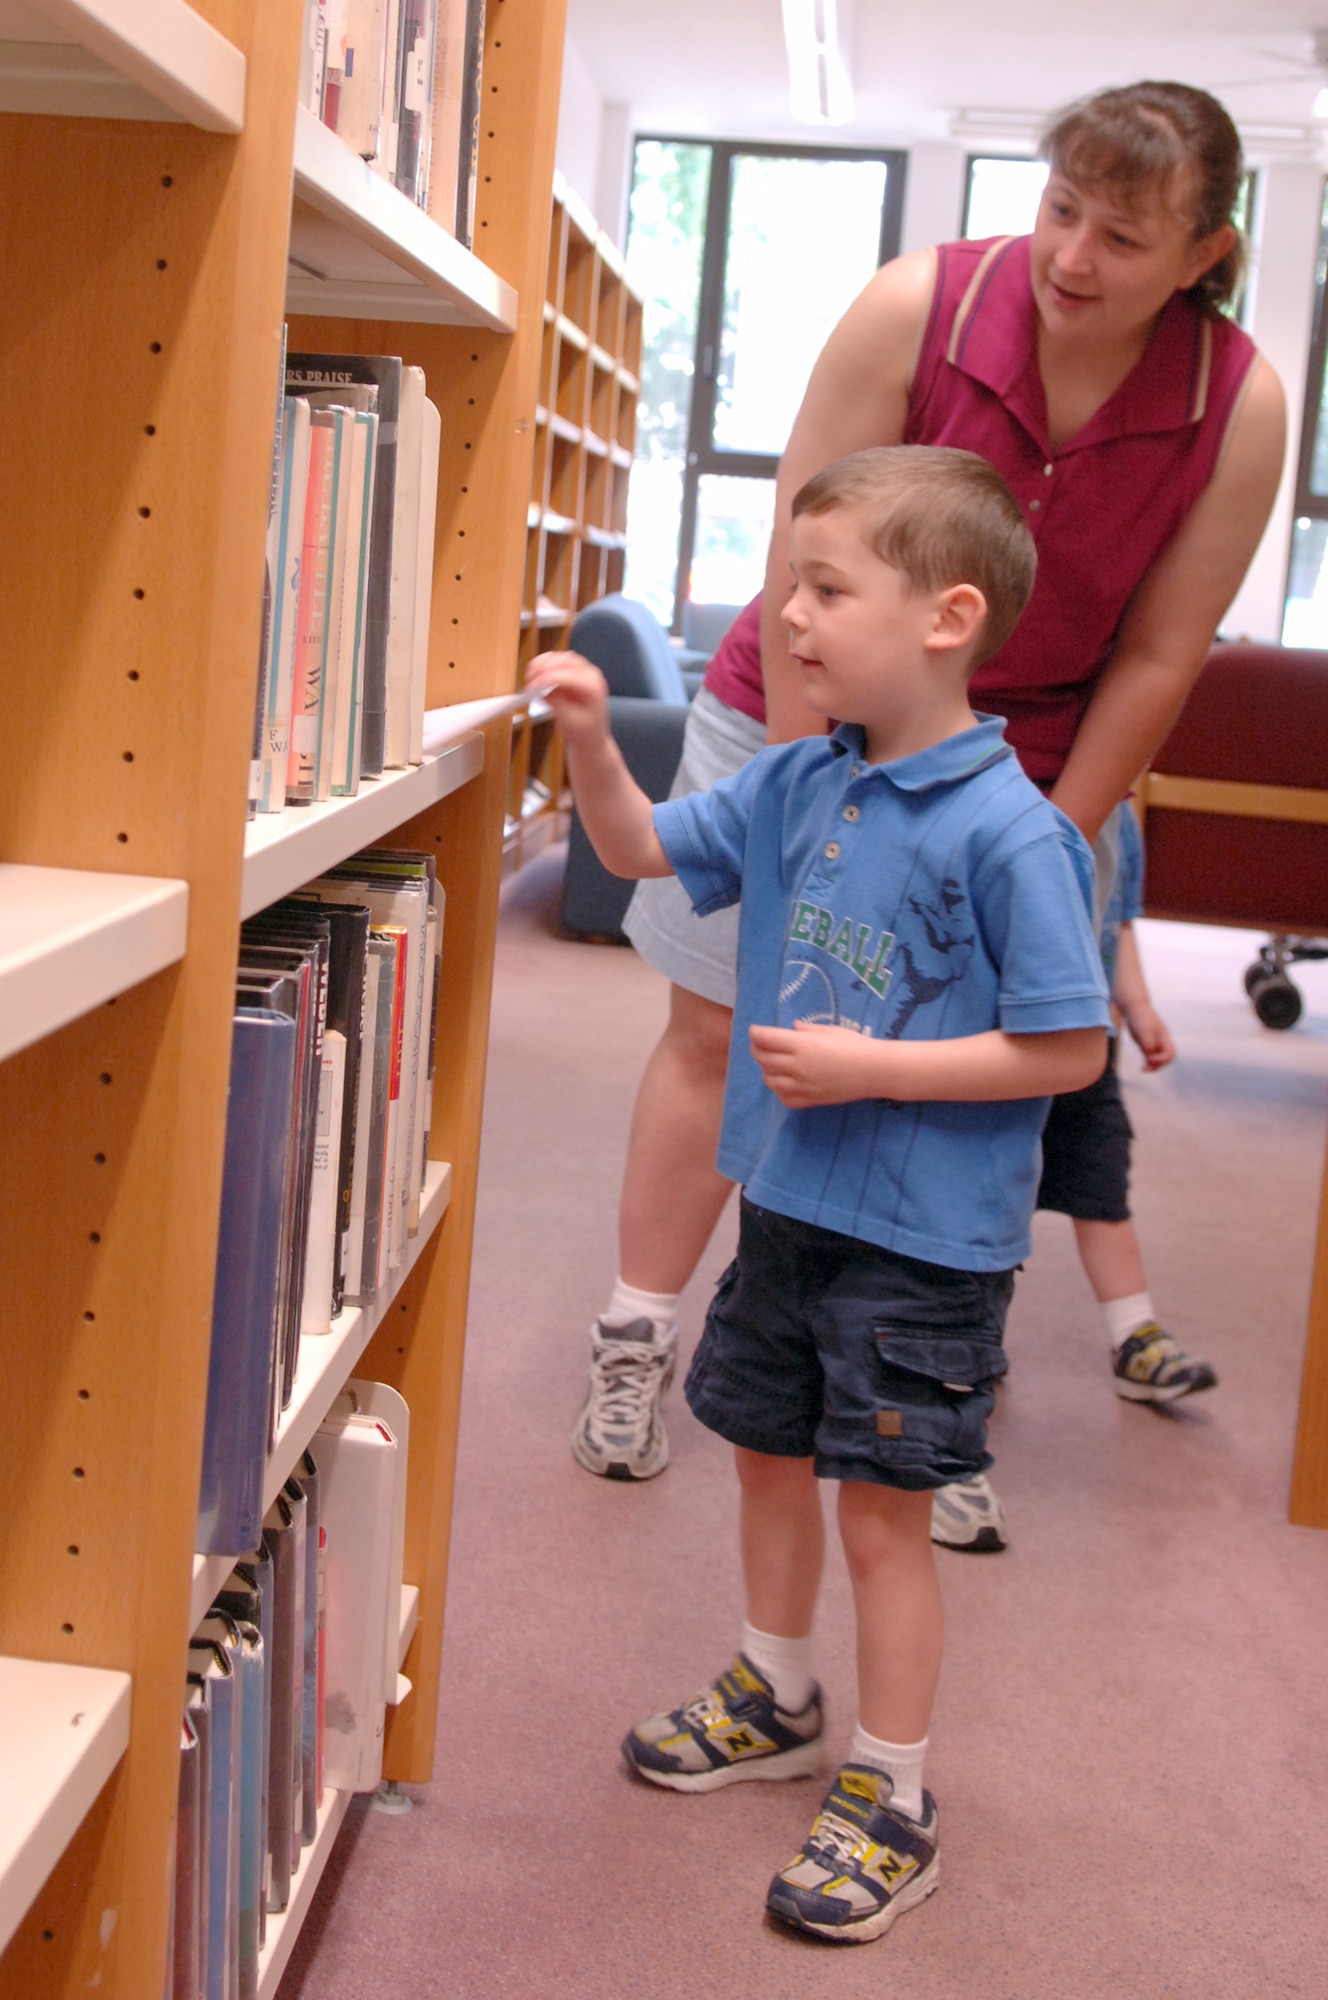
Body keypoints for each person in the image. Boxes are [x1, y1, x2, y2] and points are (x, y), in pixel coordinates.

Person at [570, 81, 1285, 1519]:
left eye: (1126, 236)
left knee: (961, 1064)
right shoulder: (919, 306)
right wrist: (808, 792)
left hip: (1014, 764)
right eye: (1061, 209)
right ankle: (639, 1331)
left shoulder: (1238, 403)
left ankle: (920, 1385)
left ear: (1207, 252)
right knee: (724, 1026)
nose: (1076, 256)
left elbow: (1159, 651)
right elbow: (802, 563)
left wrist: (1042, 838)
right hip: (797, 714)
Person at [530, 445, 1112, 1943]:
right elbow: (640, 848)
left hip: (923, 1250)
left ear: (947, 616)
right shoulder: (798, 779)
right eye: (791, 582)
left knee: (885, 1517)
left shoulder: (1016, 833)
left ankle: (895, 1789)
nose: (788, 614)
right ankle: (776, 1690)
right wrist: (593, 735)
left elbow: (1065, 1045)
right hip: (789, 1208)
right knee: (765, 1458)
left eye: (827, 587)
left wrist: (878, 1072)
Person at [929, 800, 1210, 1550]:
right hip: (1002, 1041)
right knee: (988, 1204)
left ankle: (1134, 1336)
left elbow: (1117, 923)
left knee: (1102, 1196)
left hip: (1090, 1043)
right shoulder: (1004, 802)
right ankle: (966, 1355)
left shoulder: (1118, 813)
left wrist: (1140, 1006)